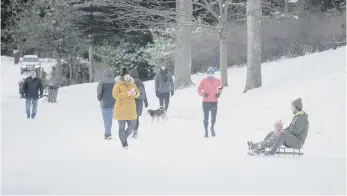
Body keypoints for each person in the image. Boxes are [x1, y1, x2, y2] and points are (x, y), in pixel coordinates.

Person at [112, 68, 139, 148]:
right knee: (121, 127)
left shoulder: (132, 84)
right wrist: (127, 93)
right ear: (123, 76)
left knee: (132, 126)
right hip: (121, 109)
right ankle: (124, 143)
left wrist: (135, 93)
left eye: (129, 75)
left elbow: (137, 94)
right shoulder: (117, 84)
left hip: (131, 109)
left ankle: (123, 138)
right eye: (126, 76)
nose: (128, 77)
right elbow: (115, 95)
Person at [197, 67, 223, 138]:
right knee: (206, 118)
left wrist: (219, 93)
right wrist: (203, 95)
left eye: (211, 73)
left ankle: (212, 128)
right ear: (207, 73)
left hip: (214, 102)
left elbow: (221, 87)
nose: (210, 74)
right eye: (209, 73)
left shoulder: (217, 81)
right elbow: (199, 89)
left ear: (213, 73)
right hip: (205, 103)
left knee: (213, 118)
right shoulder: (203, 81)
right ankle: (206, 130)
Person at [97, 68, 116, 140]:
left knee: (105, 118)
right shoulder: (114, 82)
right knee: (110, 118)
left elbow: (99, 91)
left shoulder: (101, 81)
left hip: (104, 102)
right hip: (112, 103)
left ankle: (107, 133)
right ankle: (108, 133)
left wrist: (99, 98)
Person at [130, 68, 149, 138]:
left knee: (131, 117)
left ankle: (131, 129)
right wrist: (146, 101)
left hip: (132, 101)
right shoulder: (140, 82)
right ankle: (135, 131)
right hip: (140, 102)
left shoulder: (130, 82)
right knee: (136, 117)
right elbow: (144, 93)